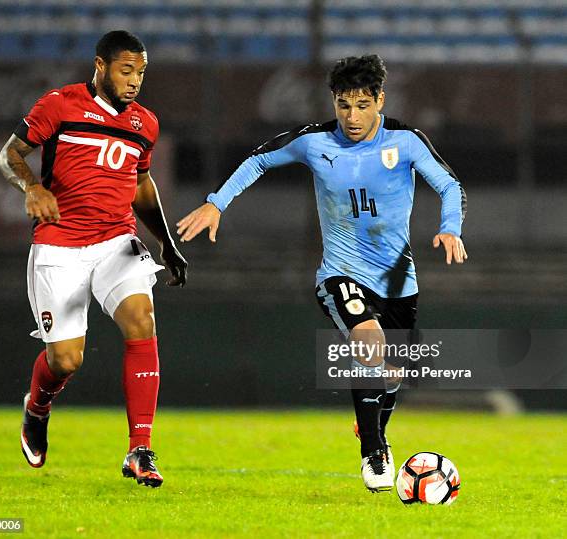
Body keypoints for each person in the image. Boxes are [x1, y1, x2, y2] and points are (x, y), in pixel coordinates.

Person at [176, 55, 467, 492]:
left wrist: (450, 229)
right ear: (333, 102)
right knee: (370, 342)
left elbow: (449, 184)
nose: (352, 117)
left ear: (380, 101)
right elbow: (258, 160)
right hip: (340, 273)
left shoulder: (405, 141)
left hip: (397, 279)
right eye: (344, 105)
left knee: (392, 373)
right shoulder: (314, 142)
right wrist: (217, 201)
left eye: (363, 105)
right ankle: (372, 450)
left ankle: (372, 429)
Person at [0, 30, 187, 488]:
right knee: (65, 360)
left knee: (141, 319)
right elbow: (10, 156)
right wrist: (34, 187)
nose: (135, 81)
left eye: (141, 72)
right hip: (60, 245)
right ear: (99, 65)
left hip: (115, 242)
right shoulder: (59, 105)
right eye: (126, 70)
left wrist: (166, 240)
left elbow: (141, 187)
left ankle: (139, 449)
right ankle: (37, 407)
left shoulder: (145, 123)